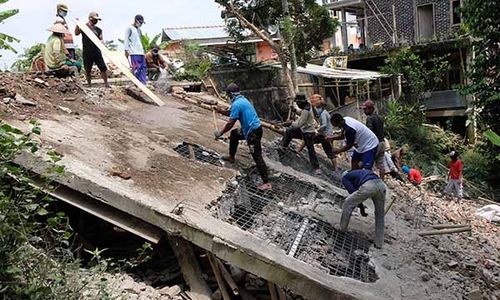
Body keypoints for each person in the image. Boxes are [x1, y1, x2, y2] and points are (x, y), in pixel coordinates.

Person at [214, 83, 272, 190]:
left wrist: (220, 133)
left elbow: (230, 123)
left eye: (228, 95)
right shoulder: (242, 100)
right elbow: (230, 113)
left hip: (253, 133)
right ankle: (231, 157)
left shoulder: (237, 104)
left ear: (230, 94)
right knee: (235, 134)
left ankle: (267, 182)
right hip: (253, 129)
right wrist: (219, 110)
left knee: (257, 156)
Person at [340, 169, 387, 249]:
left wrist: (361, 208)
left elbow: (352, 193)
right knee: (380, 215)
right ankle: (379, 243)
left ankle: (342, 229)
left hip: (369, 186)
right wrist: (362, 208)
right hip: (382, 185)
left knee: (348, 203)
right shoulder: (361, 172)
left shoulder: (345, 177)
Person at [281, 94, 321, 175]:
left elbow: (299, 124)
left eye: (298, 103)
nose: (298, 105)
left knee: (311, 149)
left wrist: (290, 123)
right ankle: (283, 147)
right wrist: (295, 110)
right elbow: (301, 113)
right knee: (289, 132)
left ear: (301, 103)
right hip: (304, 129)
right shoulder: (306, 106)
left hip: (308, 132)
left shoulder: (306, 109)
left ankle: (316, 167)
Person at [75, 12, 109, 88]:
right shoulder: (84, 27)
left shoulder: (99, 30)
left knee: (103, 67)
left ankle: (106, 84)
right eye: (95, 19)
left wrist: (102, 42)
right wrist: (77, 24)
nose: (96, 21)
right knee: (88, 69)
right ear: (90, 18)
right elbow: (76, 33)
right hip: (87, 51)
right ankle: (89, 85)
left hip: (96, 51)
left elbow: (101, 39)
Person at [362, 99, 386, 176]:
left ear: (371, 109)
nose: (364, 111)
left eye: (365, 109)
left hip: (375, 144)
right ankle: (382, 181)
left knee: (368, 162)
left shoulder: (370, 118)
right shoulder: (380, 117)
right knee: (380, 165)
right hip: (382, 143)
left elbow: (369, 132)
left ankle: (367, 179)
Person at [124, 15, 147, 84]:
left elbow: (139, 41)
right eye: (140, 22)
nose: (141, 24)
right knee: (136, 68)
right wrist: (126, 50)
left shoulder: (139, 30)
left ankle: (143, 83)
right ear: (136, 20)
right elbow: (126, 40)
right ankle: (137, 84)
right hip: (134, 52)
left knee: (143, 68)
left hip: (141, 52)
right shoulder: (129, 28)